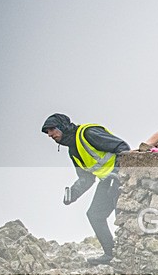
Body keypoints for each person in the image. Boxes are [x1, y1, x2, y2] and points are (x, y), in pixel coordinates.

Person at [42, 113, 131, 265]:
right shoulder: (73, 150)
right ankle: (110, 254)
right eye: (48, 132)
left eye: (52, 129)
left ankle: (128, 256)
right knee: (94, 214)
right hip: (107, 180)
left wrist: (116, 174)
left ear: (63, 127)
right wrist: (73, 193)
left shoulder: (88, 134)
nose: (50, 134)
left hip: (122, 177)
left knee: (121, 215)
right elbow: (86, 178)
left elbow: (123, 148)